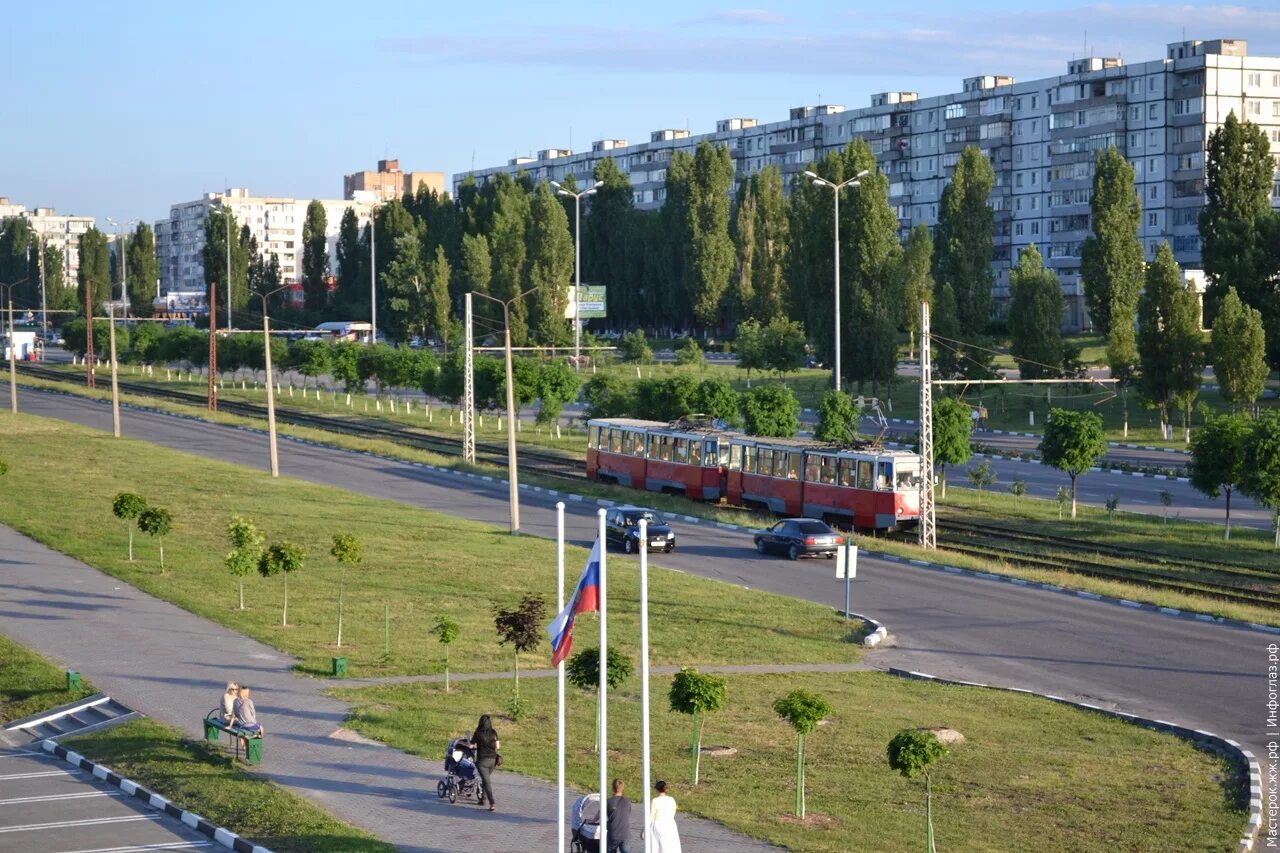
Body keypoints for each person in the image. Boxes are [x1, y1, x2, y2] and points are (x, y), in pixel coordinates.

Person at [470, 714, 500, 812]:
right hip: (493, 761)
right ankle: (482, 799)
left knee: (487, 782)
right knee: (485, 779)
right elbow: (498, 746)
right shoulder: (493, 732)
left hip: (482, 761)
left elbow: (471, 745)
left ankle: (492, 803)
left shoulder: (478, 733)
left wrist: (476, 747)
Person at [648, 780, 681, 853]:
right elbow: (673, 811)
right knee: (671, 846)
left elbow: (651, 816)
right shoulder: (671, 799)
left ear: (656, 789)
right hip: (670, 824)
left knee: (656, 846)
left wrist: (644, 830)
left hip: (658, 825)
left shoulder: (655, 801)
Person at [232, 685, 264, 750]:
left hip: (241, 725)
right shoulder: (249, 701)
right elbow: (253, 714)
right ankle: (259, 741)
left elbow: (236, 713)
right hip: (251, 725)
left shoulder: (235, 701)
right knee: (261, 727)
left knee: (241, 732)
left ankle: (244, 746)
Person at [606, 778, 632, 853]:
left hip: (613, 833)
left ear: (613, 787)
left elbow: (600, 815)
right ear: (622, 788)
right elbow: (628, 813)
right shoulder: (627, 801)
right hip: (625, 834)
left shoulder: (608, 801)